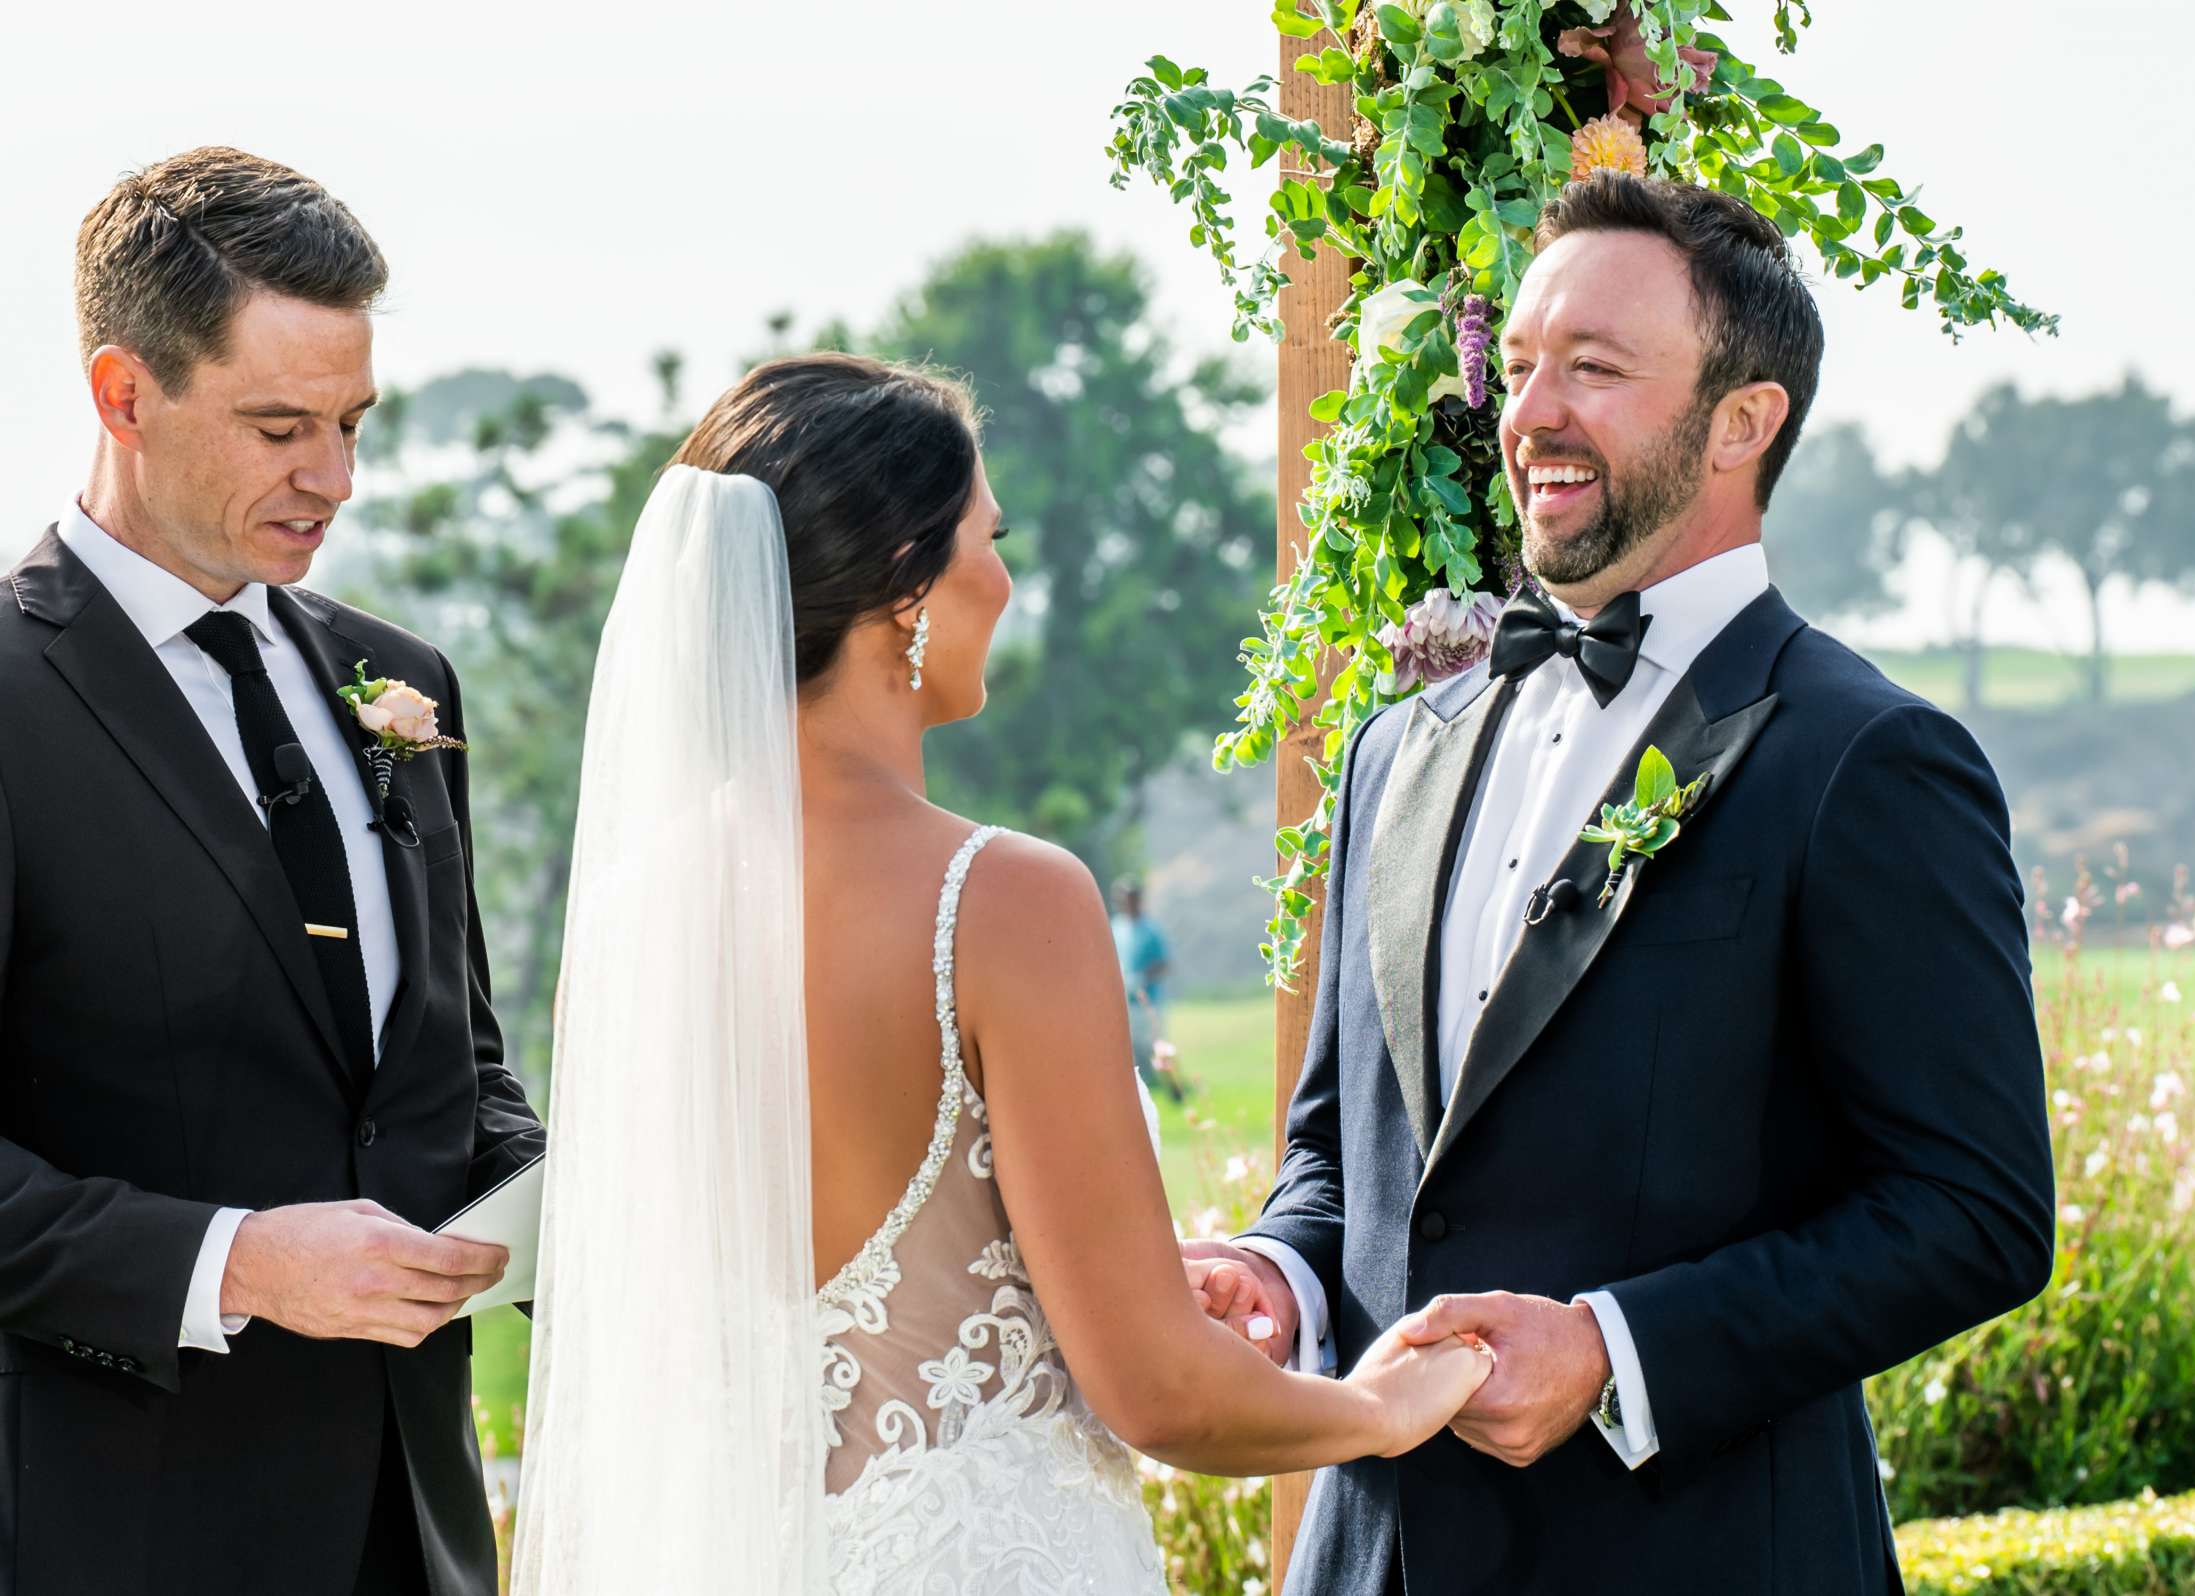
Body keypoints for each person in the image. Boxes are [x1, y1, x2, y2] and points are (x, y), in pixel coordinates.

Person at [1183, 173, 2056, 1594]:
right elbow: (1346, 1157)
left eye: (1594, 367)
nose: (1530, 412)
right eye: (1522, 365)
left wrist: (1610, 1351)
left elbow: (1975, 1211)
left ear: (1742, 421)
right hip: (1372, 1562)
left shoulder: (1869, 758)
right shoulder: (1396, 750)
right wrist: (1276, 1275)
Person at [509, 353, 1493, 1593]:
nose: (1008, 578)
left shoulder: (640, 901)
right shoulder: (1003, 899)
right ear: (904, 585)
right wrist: (1385, 1409)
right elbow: (1159, 1393)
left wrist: (1109, 1275)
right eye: (990, 536)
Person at [0, 147, 545, 1596]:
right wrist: (234, 1262)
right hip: (110, 1537)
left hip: (419, 1527)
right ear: (124, 394)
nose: (337, 480)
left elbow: (456, 1065)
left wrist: (569, 1201)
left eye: (354, 423)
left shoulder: (402, 681)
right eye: (280, 427)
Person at [1111, 876, 1186, 1102]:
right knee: (1130, 1051)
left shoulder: (1151, 930)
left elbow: (1165, 964)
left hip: (1149, 1000)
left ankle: (1175, 1090)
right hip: (1125, 1001)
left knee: (1158, 1046)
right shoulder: (1116, 927)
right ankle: (1137, 1095)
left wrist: (1142, 977)